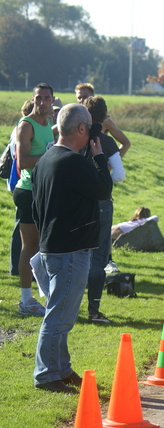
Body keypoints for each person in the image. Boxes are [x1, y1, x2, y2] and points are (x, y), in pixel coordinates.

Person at [31, 103, 113, 393]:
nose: (91, 132)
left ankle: (61, 368)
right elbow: (104, 189)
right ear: (81, 129)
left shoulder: (46, 159)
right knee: (59, 317)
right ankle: (46, 374)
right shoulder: (74, 162)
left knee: (61, 313)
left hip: (52, 247)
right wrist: (101, 156)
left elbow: (36, 207)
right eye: (89, 126)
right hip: (70, 251)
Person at [81, 95, 126, 323]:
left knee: (77, 254)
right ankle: (94, 310)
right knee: (98, 259)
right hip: (101, 203)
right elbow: (119, 175)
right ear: (104, 114)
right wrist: (104, 168)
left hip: (77, 201)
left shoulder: (75, 138)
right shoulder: (106, 143)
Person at [13, 83, 55, 316]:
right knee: (30, 246)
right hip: (28, 191)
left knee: (42, 246)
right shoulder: (26, 126)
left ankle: (45, 294)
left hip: (42, 191)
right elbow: (23, 162)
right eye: (38, 98)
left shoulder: (48, 122)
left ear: (52, 100)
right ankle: (25, 300)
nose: (42, 102)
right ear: (33, 99)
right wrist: (51, 155)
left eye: (46, 98)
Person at [8, 100, 34, 277]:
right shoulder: (23, 129)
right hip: (23, 184)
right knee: (23, 233)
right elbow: (19, 159)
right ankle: (17, 269)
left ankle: (18, 269)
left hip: (22, 183)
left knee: (24, 234)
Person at [75, 83, 131, 157]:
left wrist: (110, 163)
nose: (82, 100)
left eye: (85, 96)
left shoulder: (104, 121)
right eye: (79, 98)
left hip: (98, 165)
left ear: (92, 97)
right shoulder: (74, 117)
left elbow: (126, 143)